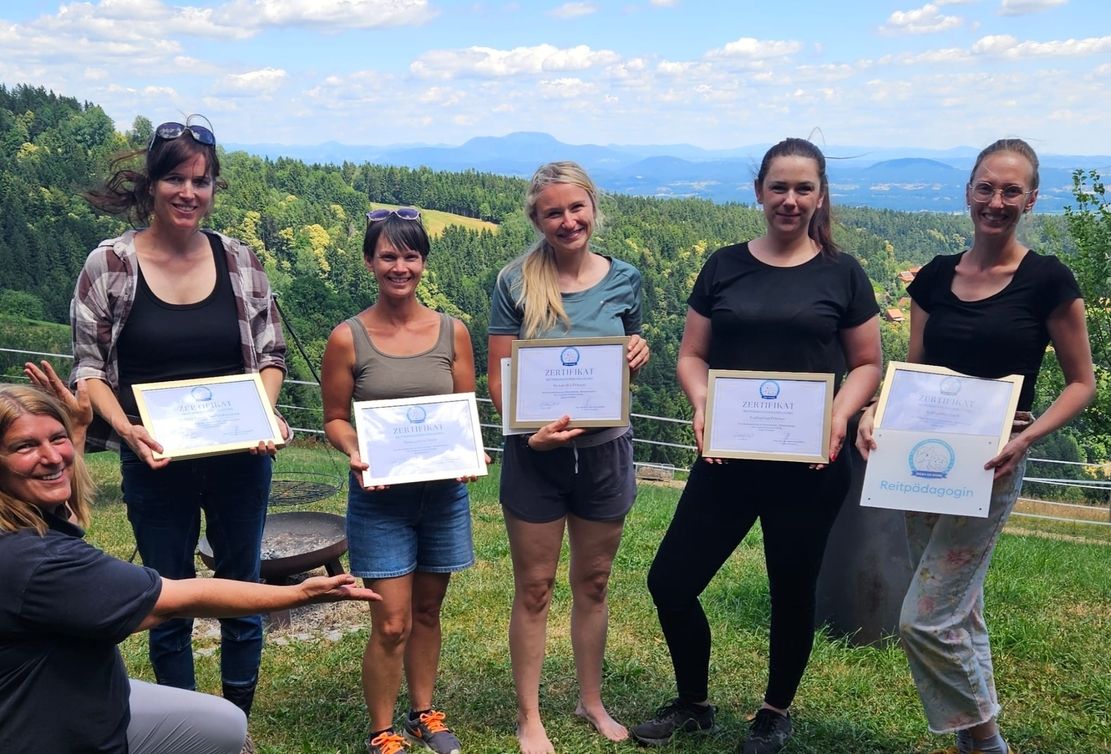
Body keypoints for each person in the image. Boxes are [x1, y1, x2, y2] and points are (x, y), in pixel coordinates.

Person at [631, 138, 882, 754]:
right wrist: (701, 402)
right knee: (670, 581)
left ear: (820, 195)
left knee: (791, 590)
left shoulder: (842, 272)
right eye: (779, 187)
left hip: (812, 463)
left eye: (803, 189)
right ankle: (694, 703)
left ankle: (773, 713)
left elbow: (868, 363)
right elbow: (692, 355)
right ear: (759, 192)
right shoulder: (723, 265)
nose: (790, 200)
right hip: (729, 457)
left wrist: (841, 415)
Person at [0, 363, 381, 754]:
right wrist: (300, 594)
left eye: (56, 439)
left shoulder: (26, 526)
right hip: (55, 730)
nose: (52, 457)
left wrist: (78, 429)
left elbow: (69, 511)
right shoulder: (33, 562)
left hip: (84, 693)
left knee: (224, 724)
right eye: (24, 446)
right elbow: (181, 598)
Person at [856, 138, 1095, 754]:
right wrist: (872, 414)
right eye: (986, 187)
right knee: (959, 611)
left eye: (1010, 190)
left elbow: (1081, 384)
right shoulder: (935, 278)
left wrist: (1029, 437)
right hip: (923, 465)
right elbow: (912, 375)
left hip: (993, 462)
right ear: (968, 191)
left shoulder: (1048, 280)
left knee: (924, 618)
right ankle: (973, 742)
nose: (996, 201)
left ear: (1031, 200)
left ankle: (986, 742)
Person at [70, 114, 291, 724]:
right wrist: (128, 430)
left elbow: (271, 354)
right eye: (175, 178)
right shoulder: (109, 265)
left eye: (201, 181)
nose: (189, 192)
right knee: (166, 595)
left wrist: (262, 415)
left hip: (240, 461)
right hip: (153, 459)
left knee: (241, 586)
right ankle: (192, 723)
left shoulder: (239, 260)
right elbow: (89, 371)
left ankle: (236, 716)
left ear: (214, 187)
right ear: (151, 184)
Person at [486, 161, 650, 754]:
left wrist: (638, 349)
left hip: (605, 451)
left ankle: (591, 701)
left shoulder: (625, 278)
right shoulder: (513, 282)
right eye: (553, 211)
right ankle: (530, 718)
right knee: (534, 587)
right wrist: (528, 434)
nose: (567, 220)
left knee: (595, 583)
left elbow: (627, 350)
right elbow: (500, 376)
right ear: (537, 218)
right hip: (535, 455)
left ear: (592, 209)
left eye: (576, 208)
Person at [321, 208, 478, 754]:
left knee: (428, 611)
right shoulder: (347, 339)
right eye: (388, 255)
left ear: (423, 263)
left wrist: (466, 453)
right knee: (390, 622)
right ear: (370, 261)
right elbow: (334, 418)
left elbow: (464, 409)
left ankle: (423, 712)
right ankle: (381, 731)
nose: (400, 266)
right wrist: (355, 450)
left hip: (442, 498)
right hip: (379, 500)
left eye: (410, 255)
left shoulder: (453, 333)